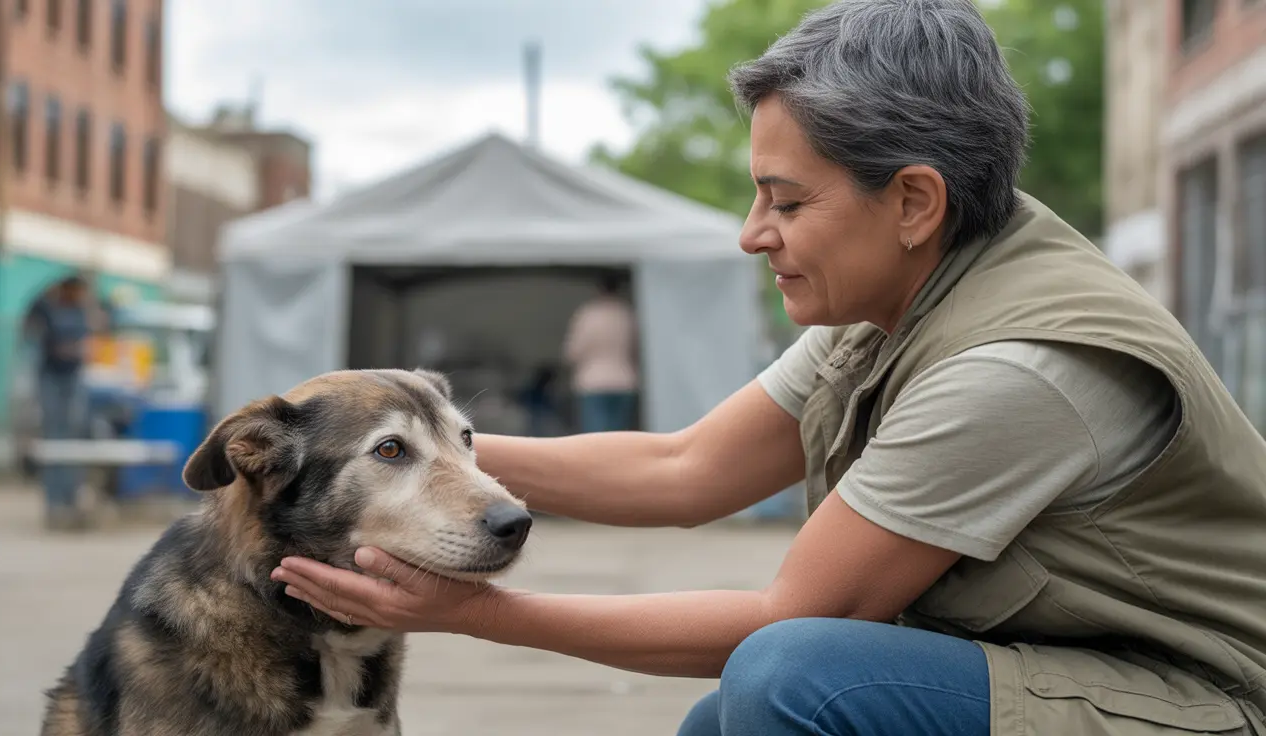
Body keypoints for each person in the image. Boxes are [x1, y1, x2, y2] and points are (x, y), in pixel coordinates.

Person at [268, 1, 1266, 734]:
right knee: (722, 724)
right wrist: (413, 445)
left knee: (795, 680)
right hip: (1076, 664)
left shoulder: (1020, 367)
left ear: (912, 201)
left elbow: (791, 618)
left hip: (1203, 699)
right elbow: (685, 468)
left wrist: (476, 610)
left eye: (785, 203)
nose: (753, 235)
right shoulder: (907, 282)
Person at [25, 275, 95, 531]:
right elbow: (32, 322)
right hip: (51, 378)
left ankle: (71, 498)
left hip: (73, 377)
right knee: (55, 438)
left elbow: (89, 336)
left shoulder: (80, 312)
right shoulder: (48, 308)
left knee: (74, 437)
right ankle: (54, 503)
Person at [562, 273, 639, 433]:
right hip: (624, 380)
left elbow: (573, 351)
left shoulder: (588, 315)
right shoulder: (627, 314)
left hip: (593, 382)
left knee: (595, 435)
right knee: (620, 434)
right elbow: (637, 349)